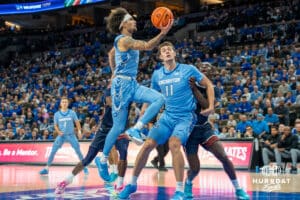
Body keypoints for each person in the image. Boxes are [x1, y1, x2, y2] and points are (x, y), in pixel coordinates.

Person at [118, 41, 215, 200]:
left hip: (185, 117)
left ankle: (179, 190)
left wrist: (210, 106)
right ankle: (132, 183)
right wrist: (144, 110)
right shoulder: (157, 74)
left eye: (170, 49)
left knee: (174, 144)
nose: (167, 51)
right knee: (148, 144)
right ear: (160, 56)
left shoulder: (188, 69)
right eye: (164, 50)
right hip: (167, 116)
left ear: (175, 53)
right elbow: (152, 95)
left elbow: (209, 85)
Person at [97, 7, 173, 182]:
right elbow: (147, 46)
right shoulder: (123, 39)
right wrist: (163, 33)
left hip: (131, 83)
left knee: (159, 98)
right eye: (131, 19)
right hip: (121, 87)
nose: (135, 21)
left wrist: (113, 71)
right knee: (117, 127)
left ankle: (137, 129)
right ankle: (102, 160)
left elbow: (110, 54)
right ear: (124, 24)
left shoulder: (125, 40)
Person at [183, 77, 249, 199]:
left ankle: (238, 189)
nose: (203, 71)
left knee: (223, 156)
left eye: (207, 70)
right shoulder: (186, 86)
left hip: (204, 129)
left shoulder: (214, 90)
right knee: (195, 169)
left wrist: (194, 89)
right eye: (201, 69)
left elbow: (206, 106)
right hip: (188, 132)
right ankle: (188, 183)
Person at [55, 89, 129, 194]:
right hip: (104, 130)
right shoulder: (110, 92)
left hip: (119, 129)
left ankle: (118, 182)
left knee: (122, 153)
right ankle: (66, 181)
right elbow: (110, 102)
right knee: (88, 159)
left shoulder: (128, 92)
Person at [39, 96, 88, 175]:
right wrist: (58, 132)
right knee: (53, 151)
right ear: (61, 104)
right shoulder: (57, 114)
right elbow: (55, 125)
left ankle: (84, 167)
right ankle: (46, 168)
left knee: (78, 152)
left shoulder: (72, 112)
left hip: (71, 135)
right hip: (61, 136)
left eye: (66, 102)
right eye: (63, 102)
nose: (64, 103)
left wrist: (79, 131)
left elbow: (77, 122)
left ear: (68, 103)